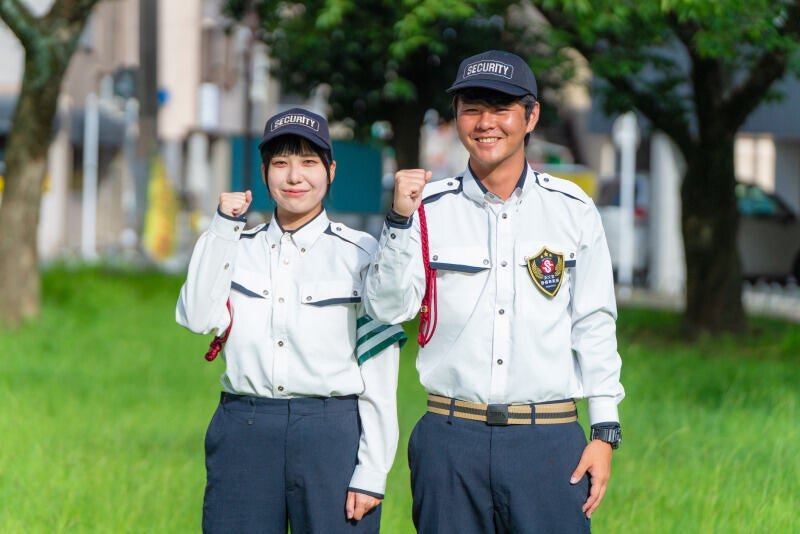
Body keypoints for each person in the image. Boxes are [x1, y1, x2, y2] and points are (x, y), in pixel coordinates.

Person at [364, 50, 624, 533]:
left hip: (549, 442)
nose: (486, 123)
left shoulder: (572, 209)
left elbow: (594, 322)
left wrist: (605, 430)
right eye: (472, 108)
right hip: (450, 439)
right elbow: (387, 307)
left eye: (501, 108)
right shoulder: (428, 209)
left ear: (531, 116)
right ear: (456, 117)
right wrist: (399, 221)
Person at [177, 107, 405, 534]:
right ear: (264, 172)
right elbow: (195, 316)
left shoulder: (361, 252)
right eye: (280, 163)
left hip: (331, 433)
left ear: (330, 170)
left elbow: (380, 367)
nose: (294, 177)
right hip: (244, 428)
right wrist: (223, 226)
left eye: (308, 163)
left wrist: (372, 471)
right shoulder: (234, 243)